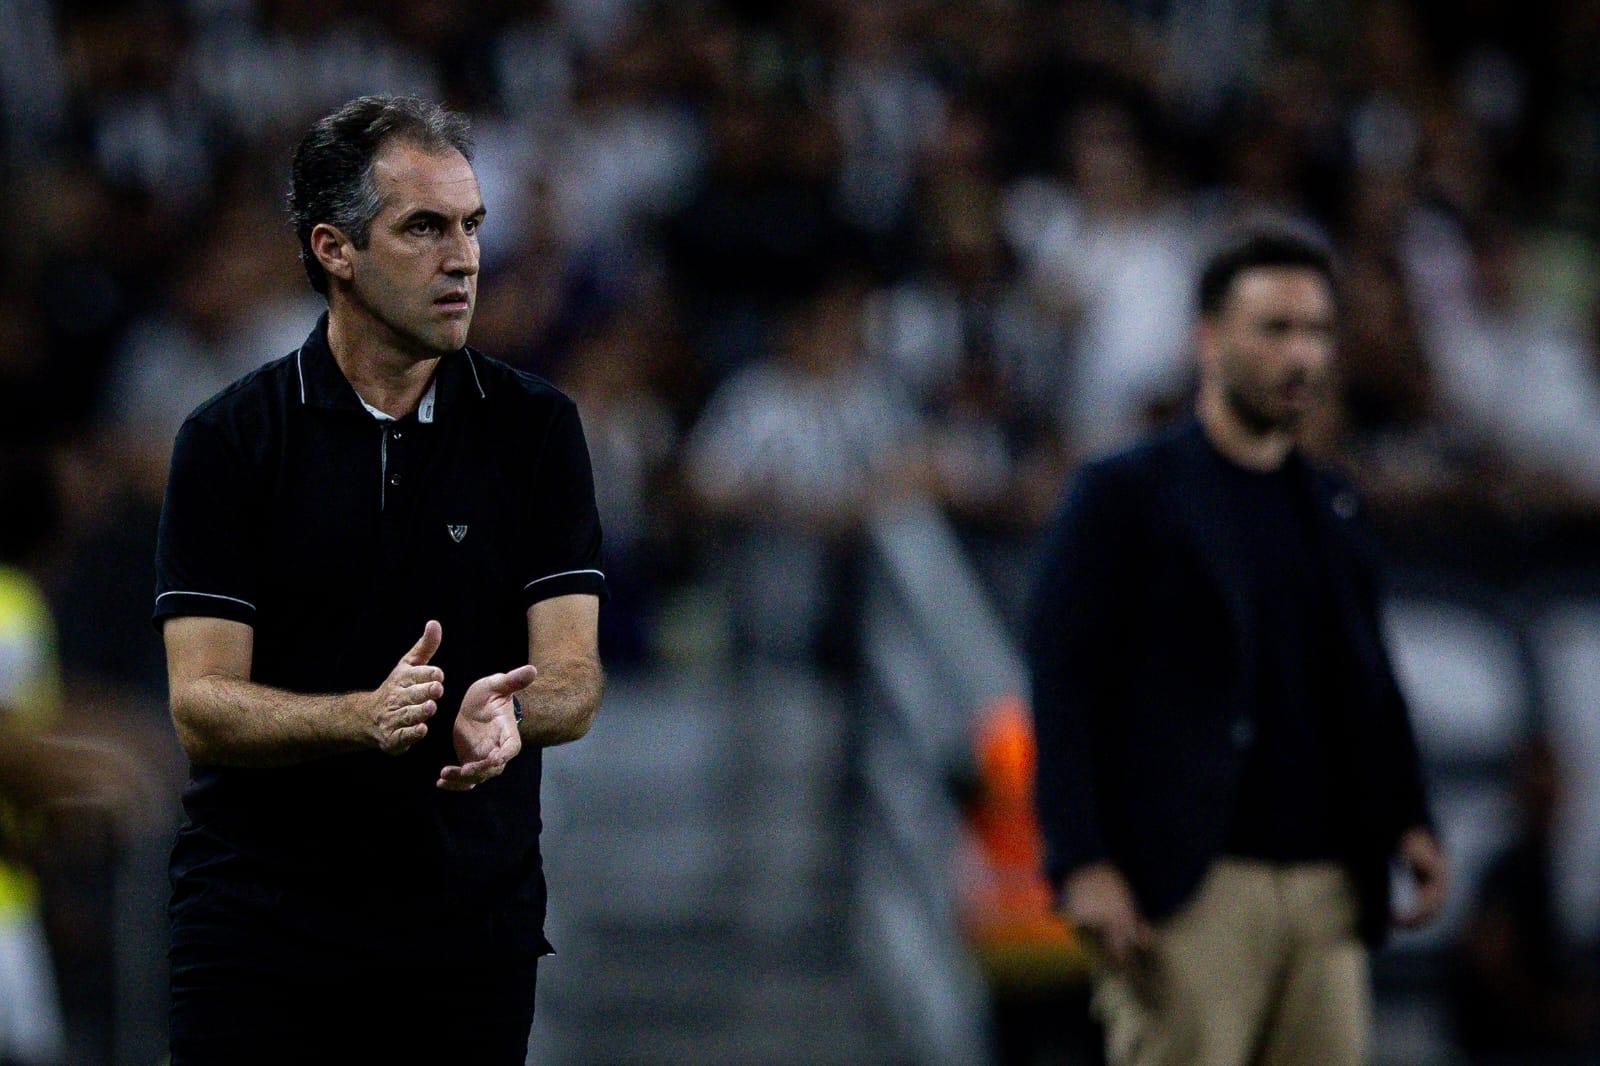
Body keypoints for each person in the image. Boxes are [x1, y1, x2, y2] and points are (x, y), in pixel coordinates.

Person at [154, 96, 606, 1065]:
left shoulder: (535, 431)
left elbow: (574, 672)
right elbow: (200, 704)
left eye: (473, 226)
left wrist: (516, 719)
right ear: (335, 249)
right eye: (424, 228)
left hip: (463, 935)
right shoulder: (231, 441)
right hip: (258, 931)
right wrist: (361, 717)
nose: (464, 257)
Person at [1028, 228, 1448, 1065]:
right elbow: (1062, 685)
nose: (1302, 355)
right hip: (1191, 884)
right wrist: (1082, 861)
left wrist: (1409, 814)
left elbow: (1366, 679)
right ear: (1207, 338)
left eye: (1319, 331)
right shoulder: (1125, 495)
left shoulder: (1333, 505)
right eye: (1275, 329)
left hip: (1328, 882)